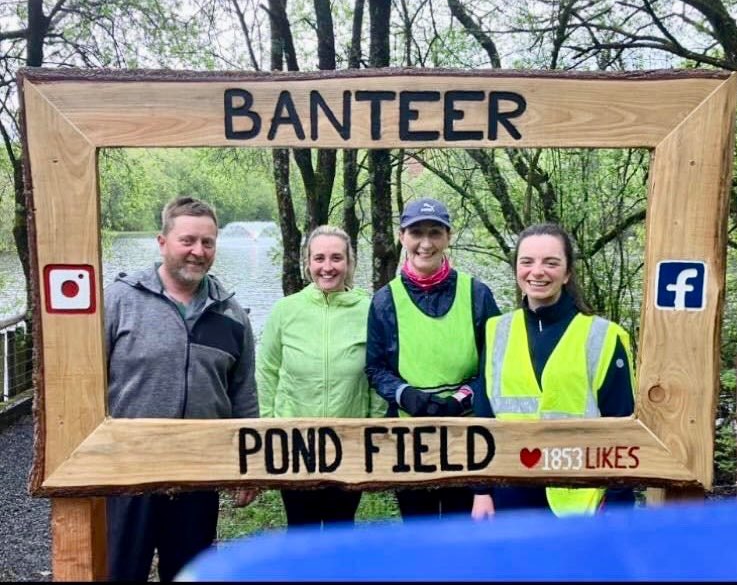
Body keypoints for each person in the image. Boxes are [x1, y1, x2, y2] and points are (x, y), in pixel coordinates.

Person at [104, 196, 259, 582]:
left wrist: (248, 468)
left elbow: (243, 394)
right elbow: (87, 382)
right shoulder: (120, 301)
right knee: (121, 571)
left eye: (207, 243)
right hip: (128, 473)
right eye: (187, 240)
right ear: (162, 242)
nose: (198, 251)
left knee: (191, 575)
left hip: (198, 473)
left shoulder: (231, 313)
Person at [472, 222, 636, 520]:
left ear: (567, 272)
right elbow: (484, 414)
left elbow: (623, 428)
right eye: (527, 262)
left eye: (551, 262)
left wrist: (618, 507)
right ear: (516, 270)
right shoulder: (497, 330)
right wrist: (481, 492)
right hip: (510, 492)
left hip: (582, 497)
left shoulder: (603, 336)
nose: (537, 271)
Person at [365, 197, 500, 520]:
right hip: (411, 437)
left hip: (467, 434)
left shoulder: (477, 294)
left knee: (461, 531)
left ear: (448, 237)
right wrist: (406, 395)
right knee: (419, 531)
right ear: (402, 237)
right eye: (416, 233)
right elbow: (375, 366)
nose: (425, 243)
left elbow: (495, 364)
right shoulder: (385, 300)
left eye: (435, 233)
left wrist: (462, 397)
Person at [256, 224, 387, 528]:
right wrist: (268, 428)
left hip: (349, 444)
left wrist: (374, 430)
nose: (327, 267)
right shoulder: (285, 311)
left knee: (341, 528)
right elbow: (267, 372)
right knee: (301, 529)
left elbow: (377, 377)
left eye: (336, 258)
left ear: (349, 263)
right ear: (308, 263)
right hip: (293, 444)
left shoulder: (369, 311)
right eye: (319, 259)